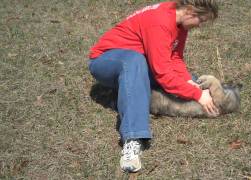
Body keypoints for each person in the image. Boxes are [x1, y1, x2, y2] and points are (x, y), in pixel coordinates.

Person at [88, 0, 219, 173]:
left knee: (189, 82)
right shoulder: (160, 22)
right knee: (134, 61)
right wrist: (196, 94)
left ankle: (124, 96)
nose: (200, 26)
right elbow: (163, 74)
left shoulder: (180, 22)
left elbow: (174, 58)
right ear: (189, 11)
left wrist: (189, 82)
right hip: (105, 61)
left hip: (139, 63)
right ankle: (132, 139)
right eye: (200, 21)